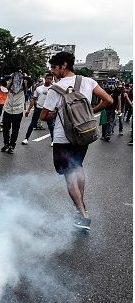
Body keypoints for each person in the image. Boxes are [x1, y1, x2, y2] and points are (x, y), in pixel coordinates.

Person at [40, 51, 113, 231]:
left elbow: (44, 115)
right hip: (83, 134)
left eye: (54, 67)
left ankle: (83, 215)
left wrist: (57, 112)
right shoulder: (88, 81)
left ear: (63, 65)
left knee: (70, 176)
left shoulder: (56, 89)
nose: (52, 71)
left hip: (63, 137)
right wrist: (91, 111)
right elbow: (108, 100)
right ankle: (81, 207)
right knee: (77, 168)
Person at [0, 70, 31, 153]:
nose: (17, 80)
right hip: (8, 108)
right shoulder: (10, 83)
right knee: (6, 128)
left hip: (18, 109)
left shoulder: (24, 84)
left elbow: (32, 81)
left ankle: (12, 146)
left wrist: (24, 77)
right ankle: (6, 144)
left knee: (15, 129)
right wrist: (10, 76)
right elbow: (1, 82)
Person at [23, 73, 55, 145]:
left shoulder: (54, 89)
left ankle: (53, 140)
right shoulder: (39, 88)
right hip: (38, 108)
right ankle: (26, 138)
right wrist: (28, 110)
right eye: (48, 78)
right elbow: (33, 99)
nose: (49, 80)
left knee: (51, 126)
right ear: (45, 78)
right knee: (32, 124)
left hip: (48, 109)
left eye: (50, 79)